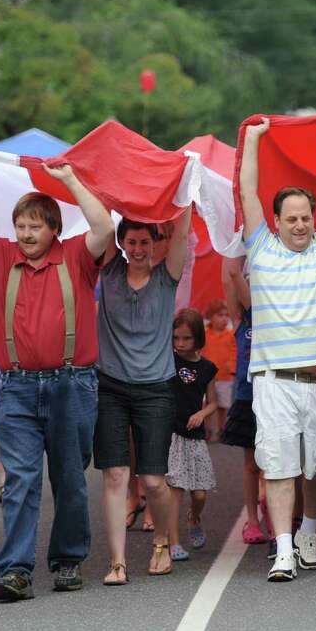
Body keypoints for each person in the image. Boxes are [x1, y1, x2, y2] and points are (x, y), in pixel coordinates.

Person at [0, 151, 115, 601]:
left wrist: (71, 180)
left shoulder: (77, 255)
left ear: (54, 229)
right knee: (21, 480)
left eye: (35, 226)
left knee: (69, 479)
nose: (25, 233)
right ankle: (15, 571)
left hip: (72, 384)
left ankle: (66, 561)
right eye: (21, 225)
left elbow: (104, 227)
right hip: (17, 388)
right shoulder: (2, 256)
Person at [239, 115, 316, 581]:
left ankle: (309, 528)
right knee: (280, 465)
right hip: (272, 380)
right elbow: (247, 193)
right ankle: (284, 549)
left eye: (306, 217)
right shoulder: (261, 250)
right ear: (276, 222)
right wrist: (253, 140)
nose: (300, 225)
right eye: (291, 219)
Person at [95, 211, 189, 584]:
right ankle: (117, 562)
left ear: (155, 244)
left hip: (156, 388)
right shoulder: (109, 271)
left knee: (152, 480)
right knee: (116, 474)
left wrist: (187, 196)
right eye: (131, 242)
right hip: (111, 386)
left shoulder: (167, 278)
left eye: (144, 243)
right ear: (121, 244)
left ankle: (162, 541)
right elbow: (99, 221)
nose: (137, 249)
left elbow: (181, 237)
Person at [220, 255, 268, 544]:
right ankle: (252, 520)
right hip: (247, 398)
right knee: (251, 464)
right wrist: (232, 242)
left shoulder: (274, 317)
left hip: (274, 396)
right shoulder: (241, 321)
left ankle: (277, 515)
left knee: (277, 464)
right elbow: (230, 276)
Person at [165, 309, 218, 565]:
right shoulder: (168, 360)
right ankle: (173, 542)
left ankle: (194, 518)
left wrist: (202, 413)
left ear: (198, 338)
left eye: (186, 338)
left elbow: (214, 403)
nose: (180, 344)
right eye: (176, 338)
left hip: (195, 437)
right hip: (173, 434)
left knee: (199, 494)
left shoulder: (207, 368)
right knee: (175, 489)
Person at [201, 298, 236, 441]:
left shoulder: (231, 334)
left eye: (227, 315)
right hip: (207, 377)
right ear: (210, 316)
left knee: (223, 405)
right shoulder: (204, 333)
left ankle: (222, 429)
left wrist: (232, 366)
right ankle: (207, 429)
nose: (224, 319)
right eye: (220, 315)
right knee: (207, 404)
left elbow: (235, 352)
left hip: (224, 376)